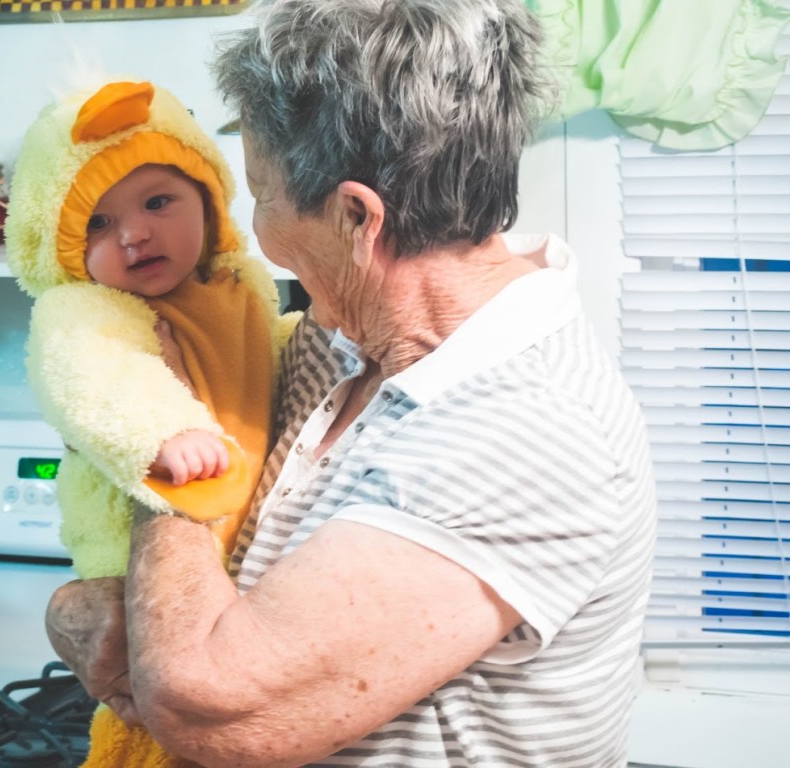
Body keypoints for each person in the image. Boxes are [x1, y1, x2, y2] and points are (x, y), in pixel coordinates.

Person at [45, 1, 658, 766]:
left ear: (355, 219)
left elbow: (207, 705)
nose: (258, 229)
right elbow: (198, 600)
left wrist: (160, 423)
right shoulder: (340, 340)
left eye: (262, 194)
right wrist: (79, 607)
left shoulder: (525, 433)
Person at [5, 78, 298, 767]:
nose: (134, 234)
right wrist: (162, 433)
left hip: (234, 554)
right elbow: (96, 381)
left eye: (159, 202)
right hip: (127, 552)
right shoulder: (85, 310)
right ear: (62, 246)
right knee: (147, 723)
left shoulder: (239, 285)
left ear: (209, 197)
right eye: (97, 225)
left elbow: (268, 358)